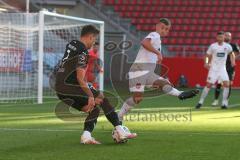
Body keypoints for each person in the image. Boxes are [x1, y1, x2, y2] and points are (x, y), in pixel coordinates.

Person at [53, 25, 136, 144]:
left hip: (60, 88)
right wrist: (90, 96)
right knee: (101, 99)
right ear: (90, 36)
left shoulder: (71, 44)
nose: (94, 42)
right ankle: (120, 130)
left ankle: (86, 137)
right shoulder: (83, 51)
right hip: (72, 87)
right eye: (94, 39)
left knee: (93, 109)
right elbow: (80, 78)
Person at [118, 18, 199, 122]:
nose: (164, 30)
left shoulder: (158, 39)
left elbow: (148, 50)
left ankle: (180, 94)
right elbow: (144, 42)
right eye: (162, 28)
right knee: (137, 99)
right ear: (157, 26)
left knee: (165, 83)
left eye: (167, 29)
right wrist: (158, 53)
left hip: (147, 72)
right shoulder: (154, 35)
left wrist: (156, 58)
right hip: (139, 70)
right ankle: (119, 117)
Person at [196, 31, 235, 109]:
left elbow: (231, 54)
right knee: (208, 85)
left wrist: (232, 61)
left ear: (224, 37)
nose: (220, 38)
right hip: (213, 69)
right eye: (219, 37)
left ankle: (224, 103)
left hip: (222, 69)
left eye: (222, 37)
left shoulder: (228, 46)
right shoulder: (213, 46)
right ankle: (200, 101)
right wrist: (206, 63)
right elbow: (207, 55)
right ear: (216, 37)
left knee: (227, 85)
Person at [212, 32, 238, 106]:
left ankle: (226, 100)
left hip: (230, 68)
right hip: (221, 67)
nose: (227, 37)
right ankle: (216, 100)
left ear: (231, 37)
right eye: (226, 35)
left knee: (229, 84)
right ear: (223, 36)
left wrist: (233, 58)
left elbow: (237, 53)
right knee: (219, 84)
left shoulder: (233, 45)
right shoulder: (219, 46)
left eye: (229, 36)